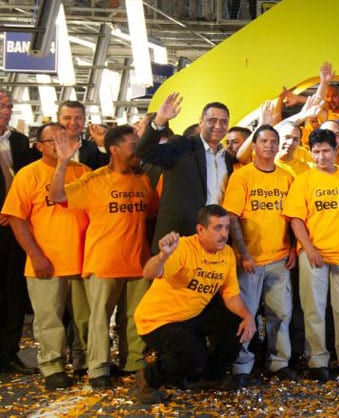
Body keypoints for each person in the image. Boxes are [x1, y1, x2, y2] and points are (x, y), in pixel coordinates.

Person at [49, 125, 156, 387]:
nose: (138, 150)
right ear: (114, 149)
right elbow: (57, 195)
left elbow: (151, 214)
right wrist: (63, 162)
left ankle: (133, 363)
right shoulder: (94, 180)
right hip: (103, 262)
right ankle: (98, 369)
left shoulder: (142, 179)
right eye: (133, 145)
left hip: (138, 262)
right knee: (99, 320)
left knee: (134, 317)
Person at [133, 205, 256, 403]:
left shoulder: (227, 254)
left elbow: (231, 296)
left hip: (192, 316)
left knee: (236, 322)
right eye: (217, 228)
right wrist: (163, 256)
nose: (224, 234)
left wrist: (247, 317)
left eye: (226, 227)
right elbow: (149, 273)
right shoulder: (183, 247)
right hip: (158, 321)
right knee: (192, 356)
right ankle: (148, 378)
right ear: (200, 229)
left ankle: (210, 377)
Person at [1, 123, 88, 387]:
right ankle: (53, 366)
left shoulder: (83, 172)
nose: (60, 144)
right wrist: (36, 255)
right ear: (39, 146)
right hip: (47, 262)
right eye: (53, 140)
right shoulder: (28, 175)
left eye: (65, 139)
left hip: (84, 261)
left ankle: (84, 362)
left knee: (85, 319)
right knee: (49, 319)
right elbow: (16, 219)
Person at [283, 129, 339, 381]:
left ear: (336, 150)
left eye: (326, 151)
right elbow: (296, 220)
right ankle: (317, 361)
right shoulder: (304, 180)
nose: (321, 156)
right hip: (314, 255)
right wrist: (309, 249)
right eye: (316, 152)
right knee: (314, 310)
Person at [222, 125, 298, 384]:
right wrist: (244, 253)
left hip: (279, 258)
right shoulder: (242, 176)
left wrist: (293, 248)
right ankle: (242, 366)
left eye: (273, 141)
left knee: (281, 314)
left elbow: (295, 216)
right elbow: (232, 217)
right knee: (245, 314)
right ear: (254, 146)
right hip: (249, 260)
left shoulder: (287, 177)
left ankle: (279, 363)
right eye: (263, 141)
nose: (269, 145)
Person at [137, 93, 236, 253]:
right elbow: (144, 152)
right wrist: (159, 121)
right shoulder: (182, 146)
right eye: (212, 120)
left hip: (215, 240)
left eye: (224, 122)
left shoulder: (227, 159)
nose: (218, 126)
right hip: (178, 239)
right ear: (200, 122)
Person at [57, 101, 108, 170]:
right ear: (58, 120)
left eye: (78, 118)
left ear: (84, 120)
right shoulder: (45, 150)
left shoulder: (96, 150)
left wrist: (102, 145)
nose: (73, 123)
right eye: (67, 118)